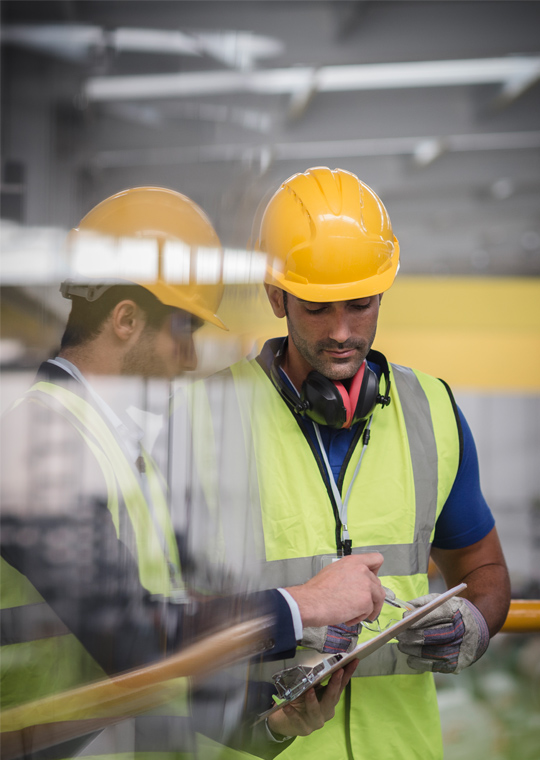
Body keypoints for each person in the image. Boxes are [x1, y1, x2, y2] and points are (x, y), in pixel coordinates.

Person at [0, 186, 387, 760]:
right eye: (185, 332)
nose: (188, 360)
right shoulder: (38, 445)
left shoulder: (107, 447)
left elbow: (161, 651)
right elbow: (136, 640)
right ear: (127, 319)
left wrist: (270, 721)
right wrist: (304, 605)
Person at [189, 167, 511, 759]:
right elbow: (157, 619)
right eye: (316, 309)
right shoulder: (203, 418)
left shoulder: (431, 411)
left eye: (360, 306)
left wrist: (476, 622)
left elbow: (485, 569)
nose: (342, 333)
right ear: (275, 295)